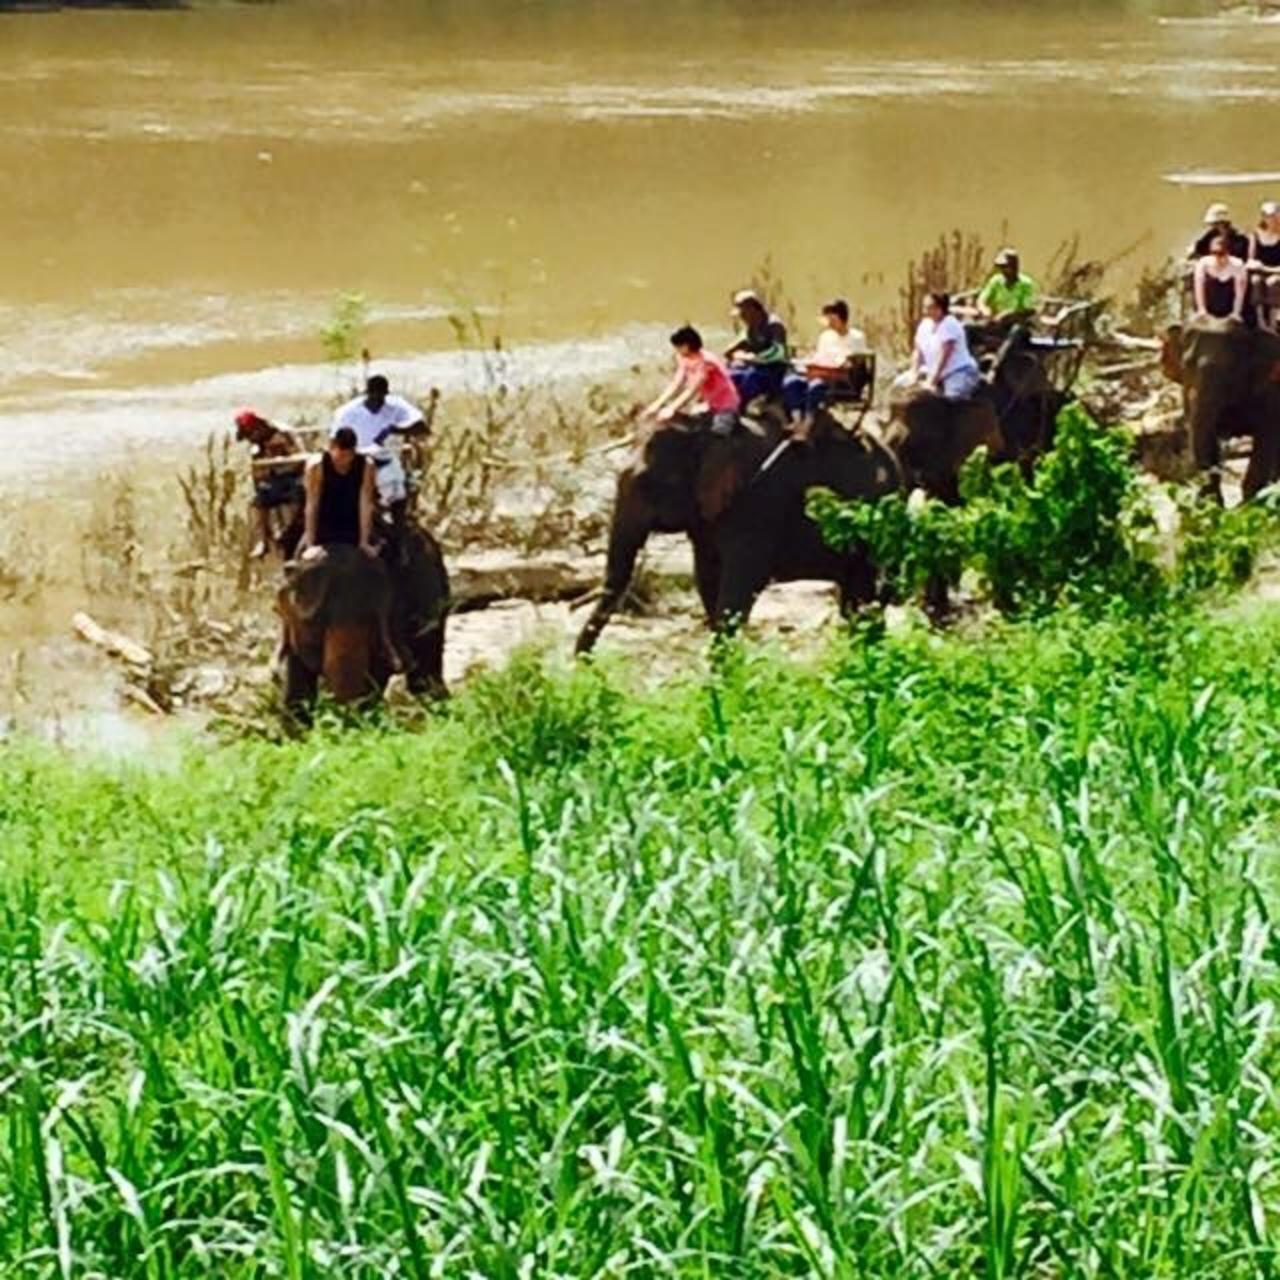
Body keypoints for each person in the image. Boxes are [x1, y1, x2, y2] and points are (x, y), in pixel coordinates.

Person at [331, 375, 427, 525]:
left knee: (398, 493)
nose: (377, 401)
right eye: (373, 396)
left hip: (385, 461)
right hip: (355, 462)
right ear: (366, 393)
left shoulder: (396, 407)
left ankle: (398, 528)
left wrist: (394, 429)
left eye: (380, 396)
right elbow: (335, 442)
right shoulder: (347, 412)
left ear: (386, 394)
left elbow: (422, 428)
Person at [781, 299, 868, 438]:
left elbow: (853, 364)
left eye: (830, 318)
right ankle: (797, 421)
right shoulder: (826, 336)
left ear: (839, 318)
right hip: (819, 373)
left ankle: (807, 424)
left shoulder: (856, 337)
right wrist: (805, 364)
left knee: (815, 386)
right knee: (791, 382)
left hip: (842, 380)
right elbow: (819, 357)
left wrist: (833, 367)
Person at [297, 427, 379, 557]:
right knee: (298, 554)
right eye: (340, 456)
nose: (343, 461)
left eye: (348, 456)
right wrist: (310, 544)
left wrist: (364, 541)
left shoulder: (366, 465)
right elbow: (312, 503)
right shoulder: (316, 466)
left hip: (353, 520)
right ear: (331, 448)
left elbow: (365, 503)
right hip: (324, 522)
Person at [645, 325, 741, 435]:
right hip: (710, 403)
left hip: (725, 405)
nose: (676, 350)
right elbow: (676, 383)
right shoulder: (684, 357)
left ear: (686, 346)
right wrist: (656, 404)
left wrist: (671, 408)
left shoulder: (706, 362)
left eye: (678, 346)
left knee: (717, 433)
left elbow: (692, 389)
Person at [234, 409, 305, 558]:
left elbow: (300, 457)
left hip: (295, 476)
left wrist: (282, 462)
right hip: (274, 479)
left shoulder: (283, 433)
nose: (250, 439)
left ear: (258, 428)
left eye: (250, 434)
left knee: (298, 494)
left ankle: (293, 531)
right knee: (260, 498)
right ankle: (263, 539)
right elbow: (258, 471)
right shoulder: (256, 446)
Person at [908, 291, 982, 399]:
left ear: (940, 308)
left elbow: (944, 356)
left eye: (930, 307)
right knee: (900, 386)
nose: (925, 311)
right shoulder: (924, 325)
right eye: (925, 307)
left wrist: (931, 381)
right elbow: (918, 352)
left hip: (958, 372)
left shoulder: (949, 324)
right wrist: (914, 374)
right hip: (931, 371)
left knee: (951, 399)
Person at [725, 290, 790, 406]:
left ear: (752, 309)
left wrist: (752, 358)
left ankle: (743, 407)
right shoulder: (750, 327)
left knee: (751, 377)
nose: (741, 317)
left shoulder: (773, 325)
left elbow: (778, 352)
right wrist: (733, 354)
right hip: (756, 367)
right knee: (731, 375)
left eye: (743, 313)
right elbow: (732, 349)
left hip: (775, 370)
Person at [1193, 233, 1248, 321]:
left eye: (1220, 253)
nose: (1216, 257)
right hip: (1209, 307)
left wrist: (1236, 312)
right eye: (1213, 253)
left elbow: (1240, 293)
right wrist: (1202, 309)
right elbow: (1199, 286)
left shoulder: (1237, 264)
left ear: (1228, 252)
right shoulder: (1203, 263)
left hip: (1228, 308)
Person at [976, 249, 1039, 325]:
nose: (1002, 270)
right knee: (970, 327)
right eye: (1001, 267)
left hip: (1018, 322)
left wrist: (1008, 313)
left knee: (1017, 330)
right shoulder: (996, 280)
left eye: (1005, 267)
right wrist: (984, 309)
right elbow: (982, 299)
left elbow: (1029, 309)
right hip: (995, 321)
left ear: (1014, 267)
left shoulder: (1026, 283)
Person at [1248, 199, 1280, 331]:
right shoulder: (1255, 235)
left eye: (1274, 216)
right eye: (1268, 216)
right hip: (1259, 271)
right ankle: (1260, 321)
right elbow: (1251, 259)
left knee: (1273, 282)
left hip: (1275, 271)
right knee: (1256, 280)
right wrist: (1256, 266)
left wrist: (1266, 268)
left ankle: (1273, 323)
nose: (1272, 219)